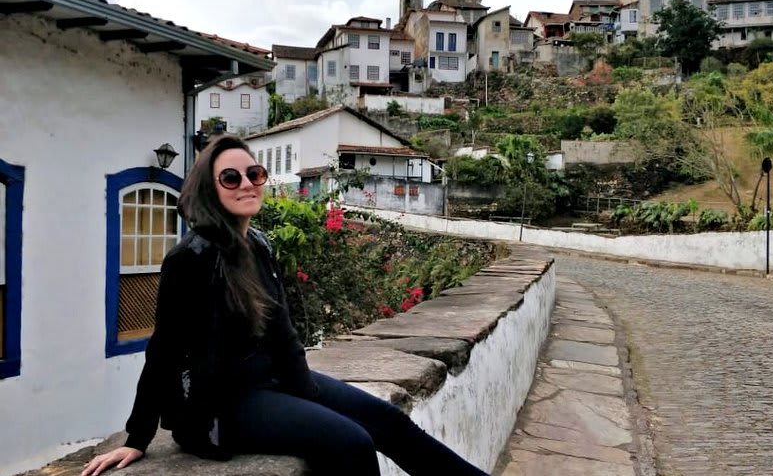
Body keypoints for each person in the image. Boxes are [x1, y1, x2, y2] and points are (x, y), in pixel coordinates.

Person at [82, 135, 490, 476]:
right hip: (219, 405)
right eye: (230, 177)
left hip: (273, 381)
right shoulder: (190, 258)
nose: (247, 183)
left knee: (388, 420)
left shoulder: (258, 245)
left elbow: (283, 333)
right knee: (352, 443)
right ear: (210, 187)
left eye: (254, 174)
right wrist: (138, 437)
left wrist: (308, 390)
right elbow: (164, 350)